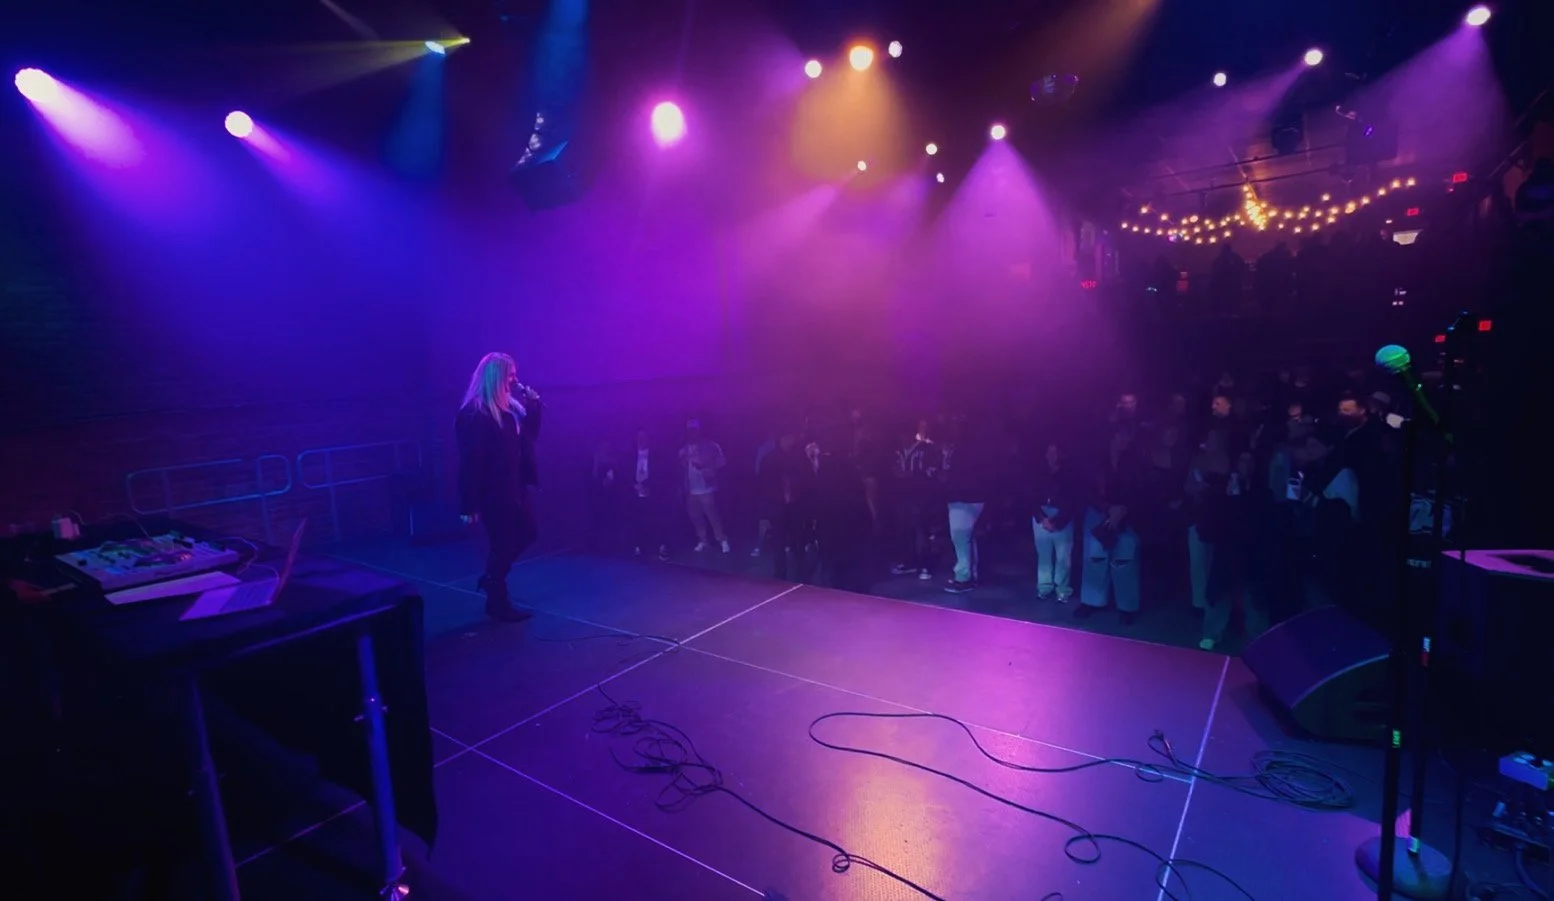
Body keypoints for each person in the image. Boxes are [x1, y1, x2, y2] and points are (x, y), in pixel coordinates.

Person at [456, 352, 542, 622]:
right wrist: (468, 505)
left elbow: (528, 439)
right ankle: (497, 600)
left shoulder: (509, 409)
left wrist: (534, 408)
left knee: (527, 533)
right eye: (510, 375)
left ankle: (492, 578)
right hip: (494, 493)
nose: (515, 380)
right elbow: (471, 462)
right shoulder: (476, 414)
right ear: (496, 377)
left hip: (515, 487)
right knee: (502, 544)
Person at [1030, 441, 1079, 602]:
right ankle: (1044, 586)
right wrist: (1041, 518)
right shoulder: (1038, 473)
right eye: (1049, 452)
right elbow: (1029, 497)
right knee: (1043, 555)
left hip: (1061, 516)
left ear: (1062, 454)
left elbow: (1073, 500)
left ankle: (1062, 589)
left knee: (1063, 556)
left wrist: (1058, 521)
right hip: (1041, 516)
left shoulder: (1070, 475)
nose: (1051, 455)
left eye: (1055, 452)